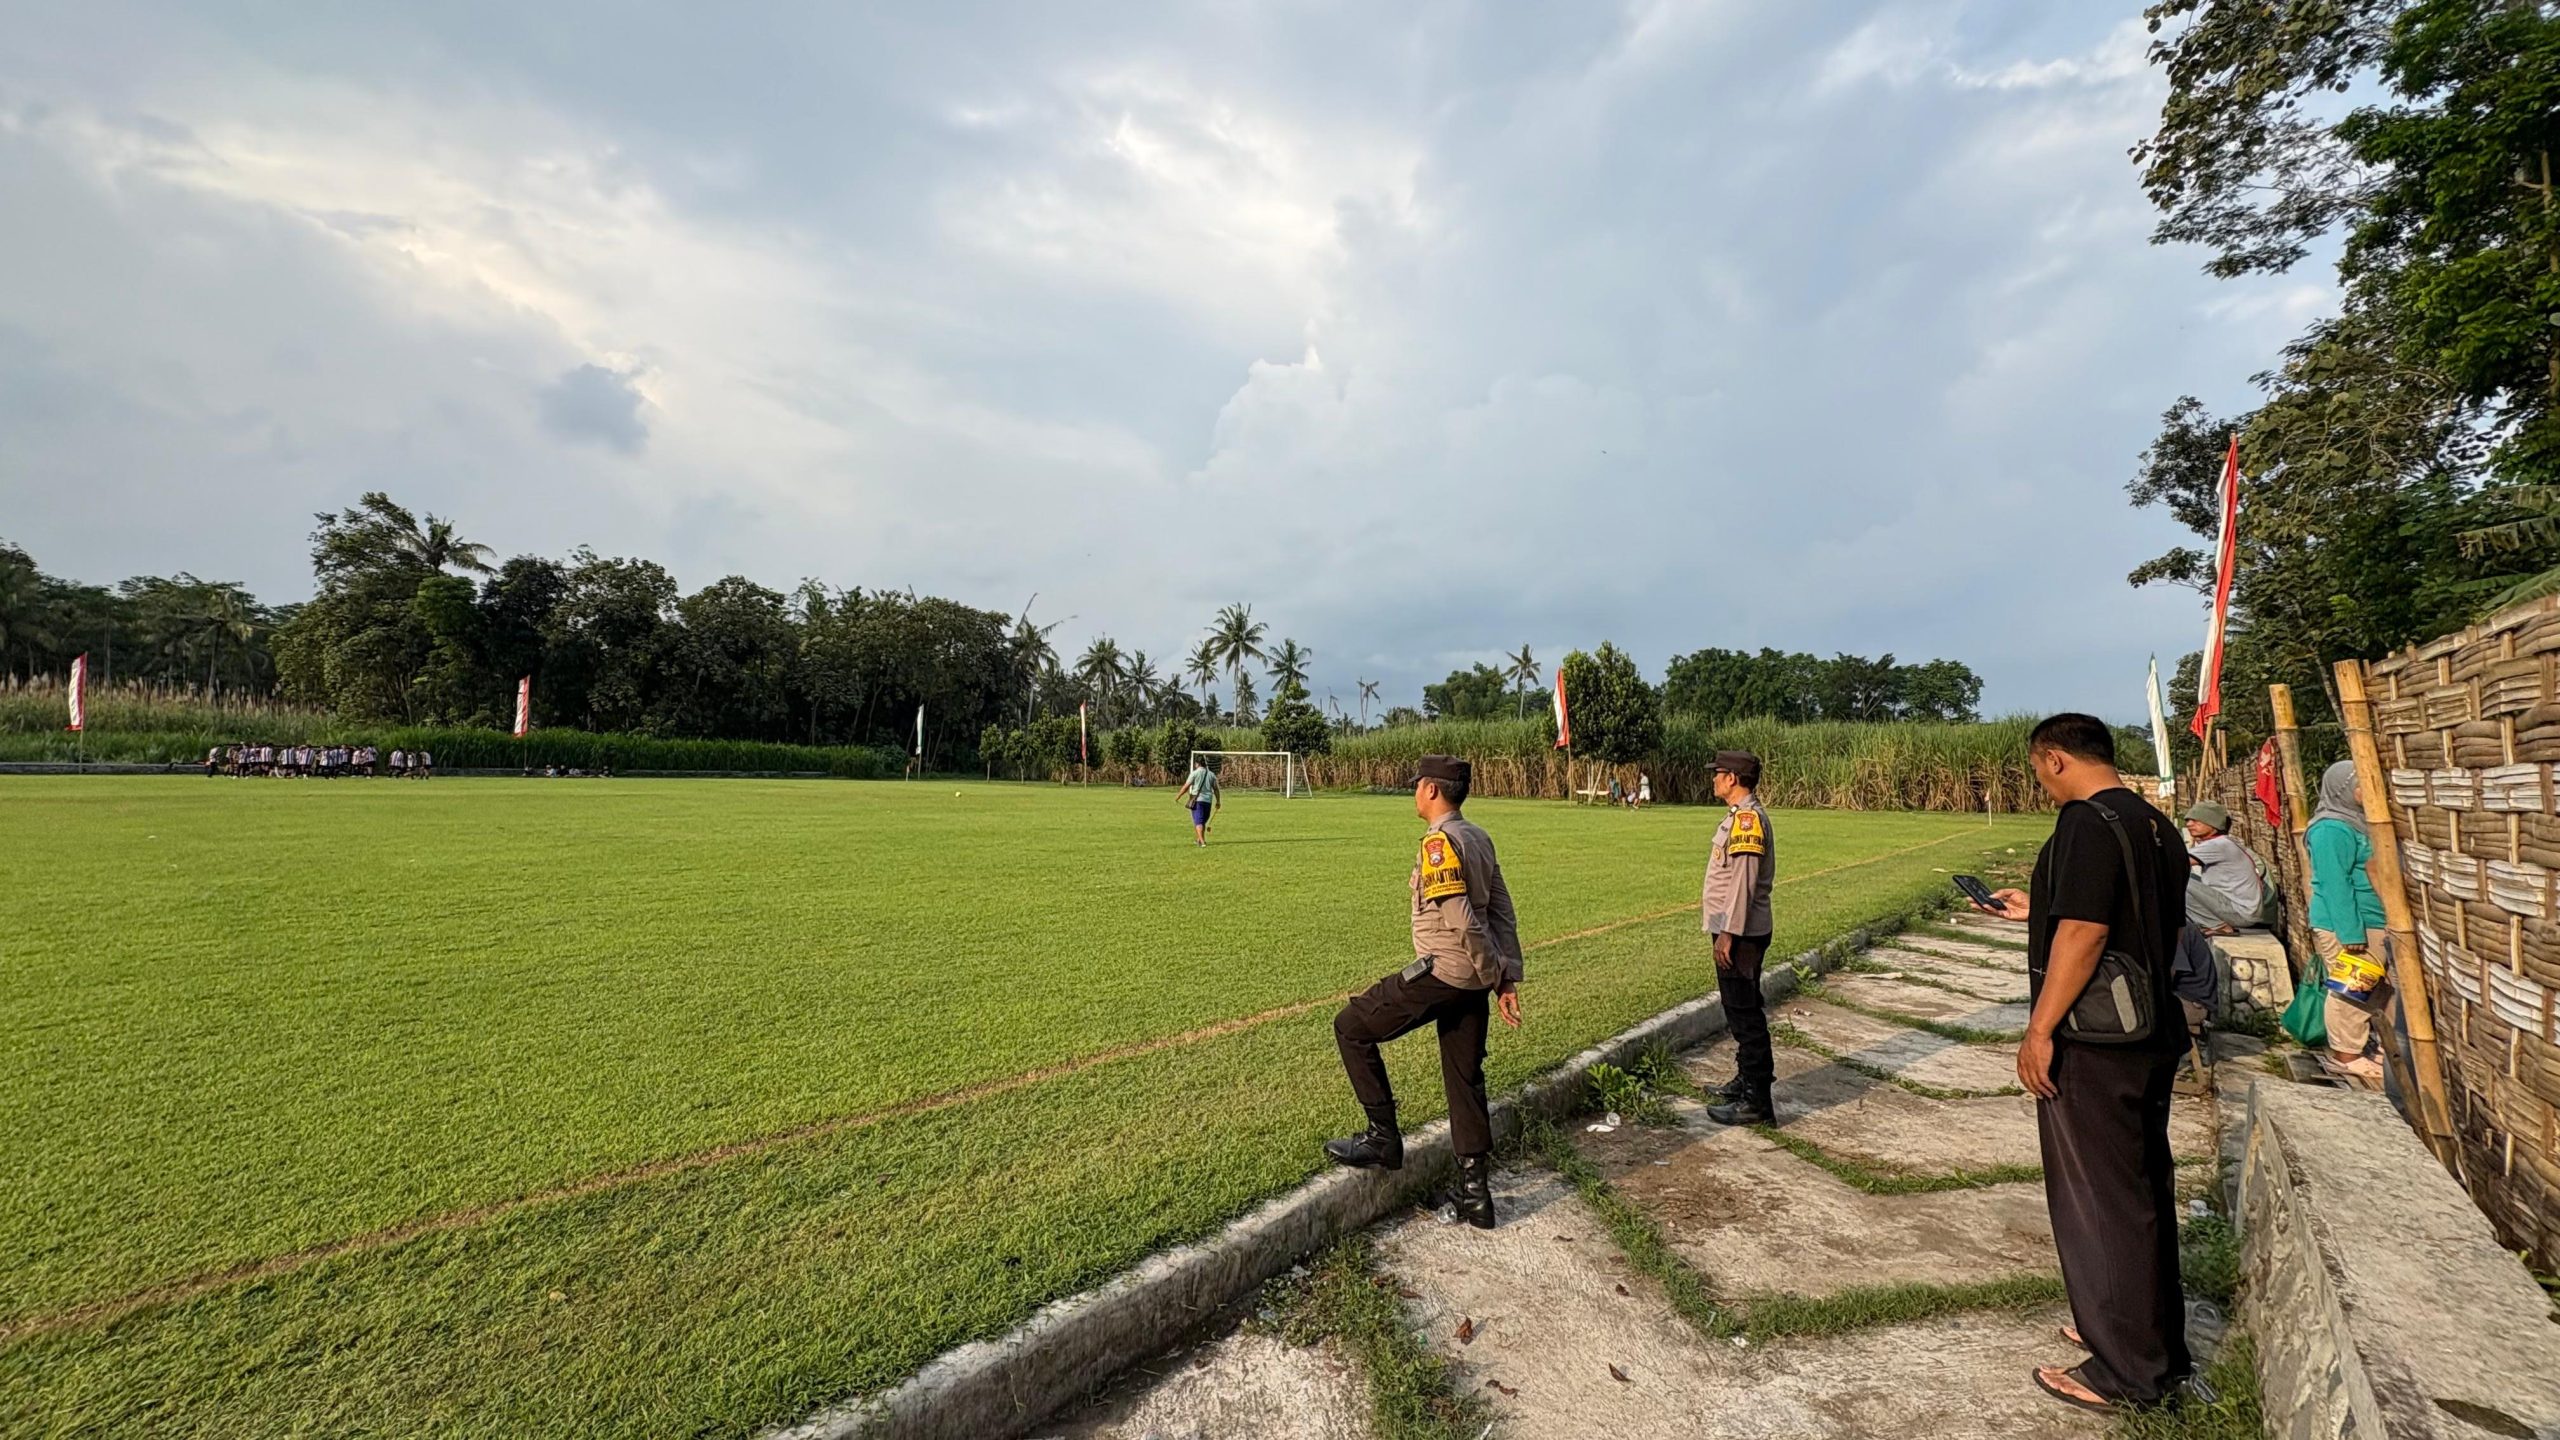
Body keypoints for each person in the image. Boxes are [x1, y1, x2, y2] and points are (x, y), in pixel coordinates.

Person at [1973, 713, 2191, 1415]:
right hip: (2150, 1028)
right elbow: (2145, 922)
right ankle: (2140, 1336)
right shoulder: (2154, 825)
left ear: (2056, 759)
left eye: (2039, 771)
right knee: (2141, 1188)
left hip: (2097, 1042)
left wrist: (2040, 1031)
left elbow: (2088, 931)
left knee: (2099, 1199)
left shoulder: (2085, 823)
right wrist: (2035, 908)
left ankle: (2126, 1372)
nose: (2042, 783)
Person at [1323, 754, 1523, 1229]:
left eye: (1417, 785)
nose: (1414, 792)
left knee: (1351, 1027)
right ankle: (1475, 1194)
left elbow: (1463, 920)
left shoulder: (1440, 843)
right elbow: (1502, 911)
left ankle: (1383, 1137)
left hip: (1445, 973)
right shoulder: (1479, 836)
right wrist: (1504, 977)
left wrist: (1491, 971)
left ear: (1431, 790)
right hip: (1473, 981)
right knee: (1465, 1076)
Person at [1695, 750, 1779, 1124]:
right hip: (1736, 928)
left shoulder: (1747, 820)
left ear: (1732, 778)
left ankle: (1757, 1101)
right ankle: (1746, 1080)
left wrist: (1727, 933)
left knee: (1745, 1014)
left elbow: (1743, 883)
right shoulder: (1739, 816)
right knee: (1739, 1008)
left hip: (1741, 933)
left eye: (1718, 773)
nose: (1713, 779)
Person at [2305, 760, 2389, 1083]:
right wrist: (2350, 932)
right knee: (2352, 989)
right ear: (2342, 789)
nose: (2367, 791)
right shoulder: (2330, 829)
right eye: (2360, 785)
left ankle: (2362, 1047)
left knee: (2370, 989)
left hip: (2370, 919)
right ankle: (2346, 1055)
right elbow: (2334, 884)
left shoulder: (2358, 823)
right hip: (2349, 924)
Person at [2180, 801, 2267, 935]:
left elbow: (2175, 863)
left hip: (2239, 912)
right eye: (2188, 820)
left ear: (2213, 824)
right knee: (2185, 878)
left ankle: (2217, 926)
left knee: (2175, 883)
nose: (2189, 824)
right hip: (2236, 908)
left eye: (2196, 821)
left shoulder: (2218, 845)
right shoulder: (2224, 842)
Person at [1180, 757, 1221, 847]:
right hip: (1208, 801)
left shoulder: (1194, 773)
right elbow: (1216, 789)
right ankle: (1199, 839)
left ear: (1197, 764)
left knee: (1198, 821)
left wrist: (1178, 796)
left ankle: (1202, 842)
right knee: (1202, 821)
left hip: (1197, 800)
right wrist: (1218, 801)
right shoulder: (1211, 774)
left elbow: (1186, 786)